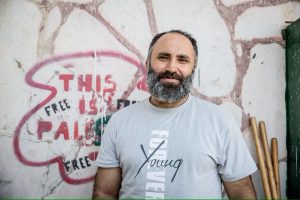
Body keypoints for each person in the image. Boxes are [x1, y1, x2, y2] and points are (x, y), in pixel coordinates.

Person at [92, 30, 257, 199]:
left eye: (182, 60)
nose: (171, 68)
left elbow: (242, 193)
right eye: (163, 57)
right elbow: (104, 193)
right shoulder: (120, 121)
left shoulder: (219, 121)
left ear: (193, 68)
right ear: (148, 63)